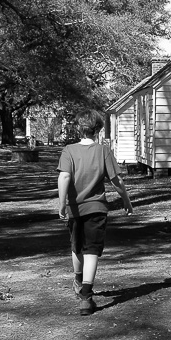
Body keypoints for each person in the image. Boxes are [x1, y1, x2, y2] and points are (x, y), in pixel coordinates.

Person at [56, 110, 133, 315]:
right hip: (96, 208)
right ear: (98, 130)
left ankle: (79, 280)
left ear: (78, 129)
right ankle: (86, 297)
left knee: (77, 247)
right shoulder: (103, 151)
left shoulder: (69, 151)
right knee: (91, 251)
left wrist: (62, 204)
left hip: (74, 209)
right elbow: (116, 180)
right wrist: (126, 200)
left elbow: (64, 177)